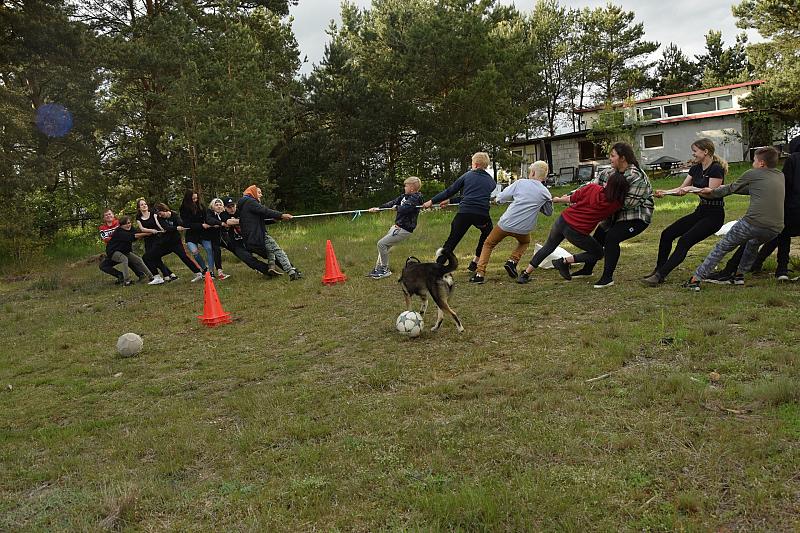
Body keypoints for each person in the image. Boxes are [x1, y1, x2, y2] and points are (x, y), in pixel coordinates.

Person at [684, 146, 785, 291]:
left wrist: (707, 192)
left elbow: (730, 189)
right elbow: (752, 189)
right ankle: (739, 276)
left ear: (761, 163)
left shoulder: (753, 173)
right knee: (753, 244)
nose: (753, 164)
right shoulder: (780, 175)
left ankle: (695, 280)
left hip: (752, 222)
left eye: (754, 161)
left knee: (722, 247)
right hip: (775, 228)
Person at [705, 135, 800, 283]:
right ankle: (756, 265)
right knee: (770, 236)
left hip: (789, 208)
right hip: (782, 214)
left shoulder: (793, 160)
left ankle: (777, 270)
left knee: (756, 237)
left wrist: (710, 193)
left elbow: (785, 185)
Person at [516, 171, 629, 284]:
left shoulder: (592, 187)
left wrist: (558, 199)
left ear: (607, 184)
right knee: (598, 253)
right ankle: (564, 261)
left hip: (563, 220)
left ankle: (525, 274)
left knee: (548, 247)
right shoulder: (615, 204)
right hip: (576, 231)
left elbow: (572, 198)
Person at [569, 142, 655, 288]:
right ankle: (587, 269)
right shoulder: (608, 173)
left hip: (636, 217)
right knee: (597, 238)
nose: (610, 158)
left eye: (612, 156)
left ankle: (607, 278)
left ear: (623, 158)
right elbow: (590, 187)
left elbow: (628, 204)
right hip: (613, 215)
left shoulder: (637, 177)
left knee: (612, 238)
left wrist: (599, 202)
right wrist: (571, 197)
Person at [643, 139, 727, 286]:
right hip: (701, 211)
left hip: (714, 216)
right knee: (667, 234)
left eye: (695, 151)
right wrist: (666, 192)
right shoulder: (695, 169)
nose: (693, 154)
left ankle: (660, 276)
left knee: (684, 241)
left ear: (705, 151)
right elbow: (682, 189)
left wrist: (691, 189)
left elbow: (712, 193)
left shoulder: (716, 169)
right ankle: (659, 269)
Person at [470, 161, 553, 284]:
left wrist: (497, 200)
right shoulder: (545, 192)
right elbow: (548, 212)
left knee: (488, 244)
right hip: (524, 228)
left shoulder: (520, 183)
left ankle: (479, 273)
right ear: (544, 176)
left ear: (533, 172)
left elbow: (502, 197)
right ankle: (512, 261)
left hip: (506, 223)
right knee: (524, 242)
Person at [422, 152, 496, 270]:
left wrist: (432, 201)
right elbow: (474, 196)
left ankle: (438, 265)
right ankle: (475, 262)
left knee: (452, 240)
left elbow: (450, 191)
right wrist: (450, 201)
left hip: (464, 214)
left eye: (472, 163)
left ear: (475, 165)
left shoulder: (467, 175)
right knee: (487, 234)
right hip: (481, 215)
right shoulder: (491, 182)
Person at [237, 185, 303, 281]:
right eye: (259, 192)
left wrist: (274, 220)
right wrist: (281, 215)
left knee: (270, 251)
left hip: (251, 238)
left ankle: (271, 266)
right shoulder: (250, 201)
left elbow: (259, 220)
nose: (261, 195)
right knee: (278, 251)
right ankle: (292, 272)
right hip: (258, 235)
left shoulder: (244, 205)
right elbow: (265, 211)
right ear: (252, 192)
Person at [366, 176, 424, 279]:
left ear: (411, 188)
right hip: (396, 227)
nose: (404, 188)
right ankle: (378, 268)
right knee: (384, 246)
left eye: (405, 186)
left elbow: (406, 208)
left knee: (381, 244)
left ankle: (384, 269)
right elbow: (392, 203)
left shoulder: (416, 198)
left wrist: (397, 208)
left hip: (404, 229)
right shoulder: (403, 197)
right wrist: (378, 209)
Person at [218, 197, 281, 276]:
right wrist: (245, 220)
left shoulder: (241, 211)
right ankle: (269, 272)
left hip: (250, 240)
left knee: (267, 253)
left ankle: (289, 267)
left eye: (233, 206)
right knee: (249, 260)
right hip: (236, 244)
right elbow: (229, 221)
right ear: (224, 208)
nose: (231, 208)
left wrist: (274, 220)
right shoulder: (223, 214)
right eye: (229, 207)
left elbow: (257, 220)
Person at [142, 203, 204, 282]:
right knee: (148, 256)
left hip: (175, 242)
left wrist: (183, 225)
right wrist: (176, 228)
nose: (160, 216)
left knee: (184, 256)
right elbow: (166, 228)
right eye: (158, 214)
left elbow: (181, 223)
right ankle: (157, 277)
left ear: (164, 210)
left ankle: (198, 273)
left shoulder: (174, 215)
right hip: (164, 243)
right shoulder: (159, 218)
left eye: (160, 213)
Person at [100, 216, 164, 286]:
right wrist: (147, 234)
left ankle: (151, 277)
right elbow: (134, 236)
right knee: (124, 259)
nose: (128, 225)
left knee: (138, 260)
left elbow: (138, 232)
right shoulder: (120, 232)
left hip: (124, 250)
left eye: (129, 223)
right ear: (121, 226)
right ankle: (126, 281)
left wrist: (151, 230)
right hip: (113, 251)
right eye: (126, 224)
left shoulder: (131, 228)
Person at [135, 198, 176, 282]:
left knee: (155, 257)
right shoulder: (138, 217)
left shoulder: (153, 213)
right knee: (153, 258)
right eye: (142, 205)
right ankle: (170, 274)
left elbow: (158, 223)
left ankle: (166, 275)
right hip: (148, 239)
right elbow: (142, 229)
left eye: (145, 204)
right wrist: (151, 231)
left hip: (157, 238)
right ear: (139, 208)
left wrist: (162, 228)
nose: (144, 206)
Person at [180, 190, 216, 277]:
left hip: (203, 232)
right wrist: (201, 225)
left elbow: (207, 217)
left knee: (209, 249)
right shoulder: (183, 208)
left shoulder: (201, 206)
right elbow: (186, 223)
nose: (195, 200)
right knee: (194, 252)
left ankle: (211, 271)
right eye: (193, 199)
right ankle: (204, 269)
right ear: (188, 199)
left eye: (196, 198)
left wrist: (212, 223)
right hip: (191, 233)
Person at [205, 198, 230, 280]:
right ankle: (219, 272)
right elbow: (209, 220)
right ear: (212, 206)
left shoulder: (224, 213)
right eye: (216, 205)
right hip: (212, 237)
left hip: (223, 237)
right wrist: (220, 223)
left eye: (220, 205)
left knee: (234, 248)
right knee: (216, 251)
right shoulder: (209, 212)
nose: (219, 206)